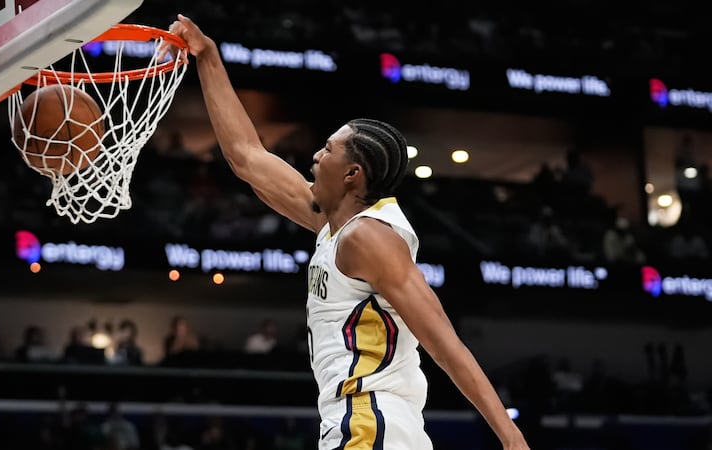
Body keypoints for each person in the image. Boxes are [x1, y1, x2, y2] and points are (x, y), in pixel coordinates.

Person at [164, 15, 530, 450]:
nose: (315, 157)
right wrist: (208, 57)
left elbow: (443, 341)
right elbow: (246, 156)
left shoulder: (369, 238)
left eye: (328, 150)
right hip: (373, 423)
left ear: (353, 175)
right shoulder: (333, 224)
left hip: (367, 421)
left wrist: (511, 438)